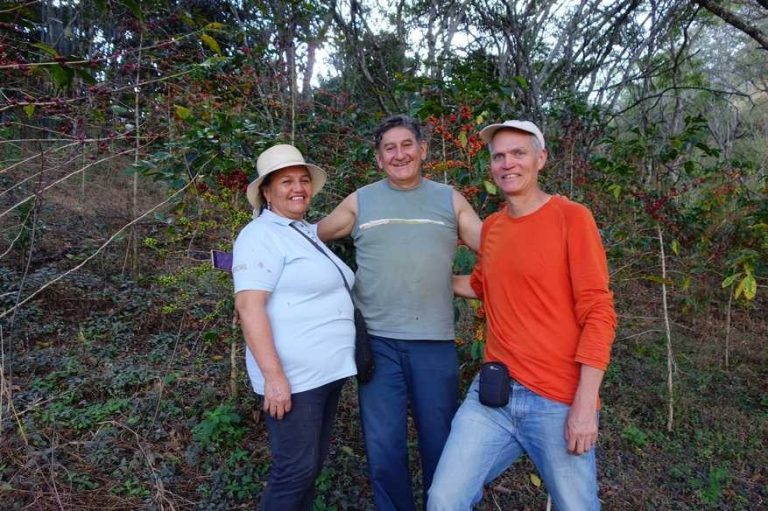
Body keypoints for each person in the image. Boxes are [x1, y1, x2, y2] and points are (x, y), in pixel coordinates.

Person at [427, 120, 617, 511]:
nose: (507, 163)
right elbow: (481, 286)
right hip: (492, 396)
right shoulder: (493, 226)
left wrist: (585, 402)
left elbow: (598, 312)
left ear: (541, 159)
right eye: (499, 156)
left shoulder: (571, 218)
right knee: (444, 499)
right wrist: (427, 277)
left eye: (518, 153)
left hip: (557, 399)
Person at [317, 114, 482, 510]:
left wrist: (464, 283)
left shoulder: (449, 198)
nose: (399, 154)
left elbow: (496, 249)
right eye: (389, 148)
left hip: (435, 343)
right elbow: (312, 239)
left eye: (407, 145)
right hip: (377, 344)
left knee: (440, 441)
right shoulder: (361, 200)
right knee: (384, 445)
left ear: (423, 150)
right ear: (378, 158)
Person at [232, 144, 357, 510]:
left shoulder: (301, 231)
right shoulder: (260, 235)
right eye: (286, 181)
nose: (298, 187)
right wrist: (274, 377)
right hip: (294, 379)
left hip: (325, 374)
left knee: (309, 467)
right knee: (294, 471)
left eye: (303, 180)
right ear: (266, 193)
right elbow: (248, 306)